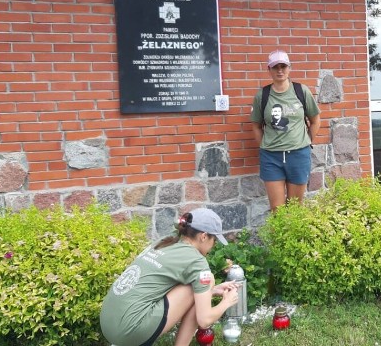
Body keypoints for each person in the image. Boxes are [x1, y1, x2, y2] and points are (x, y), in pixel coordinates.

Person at [100, 208, 240, 346]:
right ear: (203, 237)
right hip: (130, 332)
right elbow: (205, 320)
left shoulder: (166, 242)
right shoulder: (196, 261)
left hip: (108, 324)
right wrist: (227, 302)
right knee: (205, 281)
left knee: (203, 285)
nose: (214, 245)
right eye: (214, 239)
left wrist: (211, 291)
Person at [250, 50, 321, 210]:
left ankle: (296, 236)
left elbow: (315, 120)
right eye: (275, 67)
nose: (280, 70)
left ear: (289, 68)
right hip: (271, 157)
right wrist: (264, 145)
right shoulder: (262, 95)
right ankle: (278, 236)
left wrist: (307, 141)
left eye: (283, 66)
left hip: (298, 155)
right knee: (277, 209)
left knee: (295, 207)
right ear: (269, 69)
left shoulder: (301, 91)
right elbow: (256, 125)